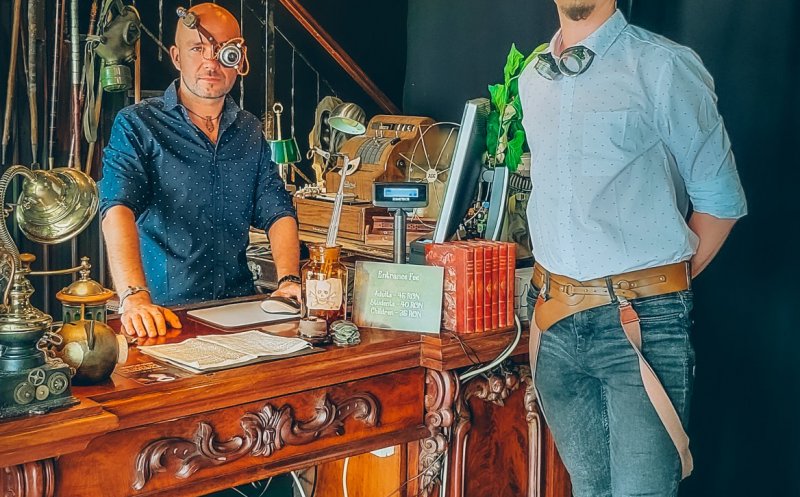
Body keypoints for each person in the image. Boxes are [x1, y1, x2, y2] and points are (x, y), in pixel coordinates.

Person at [519, 1, 747, 496]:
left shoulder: (663, 66)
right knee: (588, 490)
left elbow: (721, 201)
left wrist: (659, 287)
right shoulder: (533, 77)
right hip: (552, 319)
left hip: (639, 324)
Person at [100, 3, 300, 339]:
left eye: (224, 51)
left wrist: (289, 282)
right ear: (177, 57)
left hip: (240, 311)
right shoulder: (138, 124)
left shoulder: (249, 130)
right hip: (164, 317)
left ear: (239, 58)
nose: (211, 62)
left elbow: (277, 209)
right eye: (198, 48)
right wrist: (134, 297)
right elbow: (116, 208)